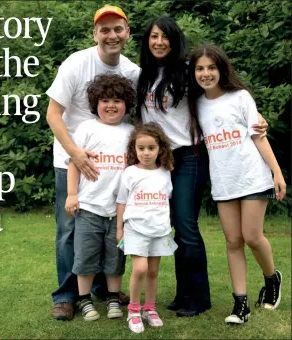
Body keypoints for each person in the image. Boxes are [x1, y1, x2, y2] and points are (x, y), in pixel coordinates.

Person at [135, 16, 268, 317]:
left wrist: (255, 121)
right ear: (147, 41)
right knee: (168, 226)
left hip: (188, 156)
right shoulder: (142, 75)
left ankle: (197, 298)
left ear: (174, 40)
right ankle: (183, 295)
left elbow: (216, 95)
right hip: (157, 160)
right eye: (154, 36)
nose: (159, 42)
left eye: (165, 37)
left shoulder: (186, 73)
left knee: (185, 225)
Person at [46, 5, 140, 320]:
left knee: (109, 228)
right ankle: (66, 296)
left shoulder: (131, 71)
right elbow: (53, 114)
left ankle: (102, 289)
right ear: (95, 33)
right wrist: (75, 153)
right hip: (71, 161)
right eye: (105, 29)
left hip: (113, 169)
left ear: (127, 32)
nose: (111, 35)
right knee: (70, 230)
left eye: (117, 29)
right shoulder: (76, 63)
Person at [187, 44, 286, 325]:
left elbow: (258, 136)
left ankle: (271, 278)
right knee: (233, 241)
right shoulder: (195, 105)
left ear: (222, 69)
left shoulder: (240, 97)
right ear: (193, 73)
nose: (206, 73)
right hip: (224, 181)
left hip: (252, 176)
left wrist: (277, 173)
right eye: (199, 68)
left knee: (252, 237)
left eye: (211, 67)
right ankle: (240, 305)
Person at [64, 73, 136, 322]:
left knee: (115, 258)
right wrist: (72, 194)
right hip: (89, 207)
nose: (111, 105)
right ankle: (84, 300)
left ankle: (113, 297)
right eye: (105, 100)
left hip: (118, 212)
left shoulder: (131, 132)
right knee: (85, 257)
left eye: (117, 100)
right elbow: (74, 162)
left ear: (127, 103)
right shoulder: (86, 128)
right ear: (96, 103)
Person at [116, 123, 177, 333]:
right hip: (135, 227)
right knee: (140, 269)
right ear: (134, 149)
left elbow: (166, 201)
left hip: (159, 229)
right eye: (141, 148)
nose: (146, 153)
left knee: (152, 271)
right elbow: (121, 201)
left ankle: (149, 309)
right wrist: (119, 228)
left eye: (151, 148)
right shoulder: (130, 173)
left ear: (160, 149)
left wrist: (168, 224)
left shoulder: (165, 173)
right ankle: (133, 310)